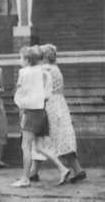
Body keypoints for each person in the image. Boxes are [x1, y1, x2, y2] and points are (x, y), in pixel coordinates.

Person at [11, 45, 70, 188]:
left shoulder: (24, 73)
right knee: (39, 147)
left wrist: (20, 102)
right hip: (42, 111)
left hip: (31, 112)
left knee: (25, 146)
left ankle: (25, 178)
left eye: (21, 58)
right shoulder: (45, 72)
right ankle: (63, 168)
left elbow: (20, 93)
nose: (19, 60)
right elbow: (47, 94)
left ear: (27, 60)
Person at [30, 44, 85, 182]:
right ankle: (76, 169)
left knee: (44, 137)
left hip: (49, 105)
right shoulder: (55, 68)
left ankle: (34, 172)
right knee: (60, 138)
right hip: (58, 105)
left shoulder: (46, 70)